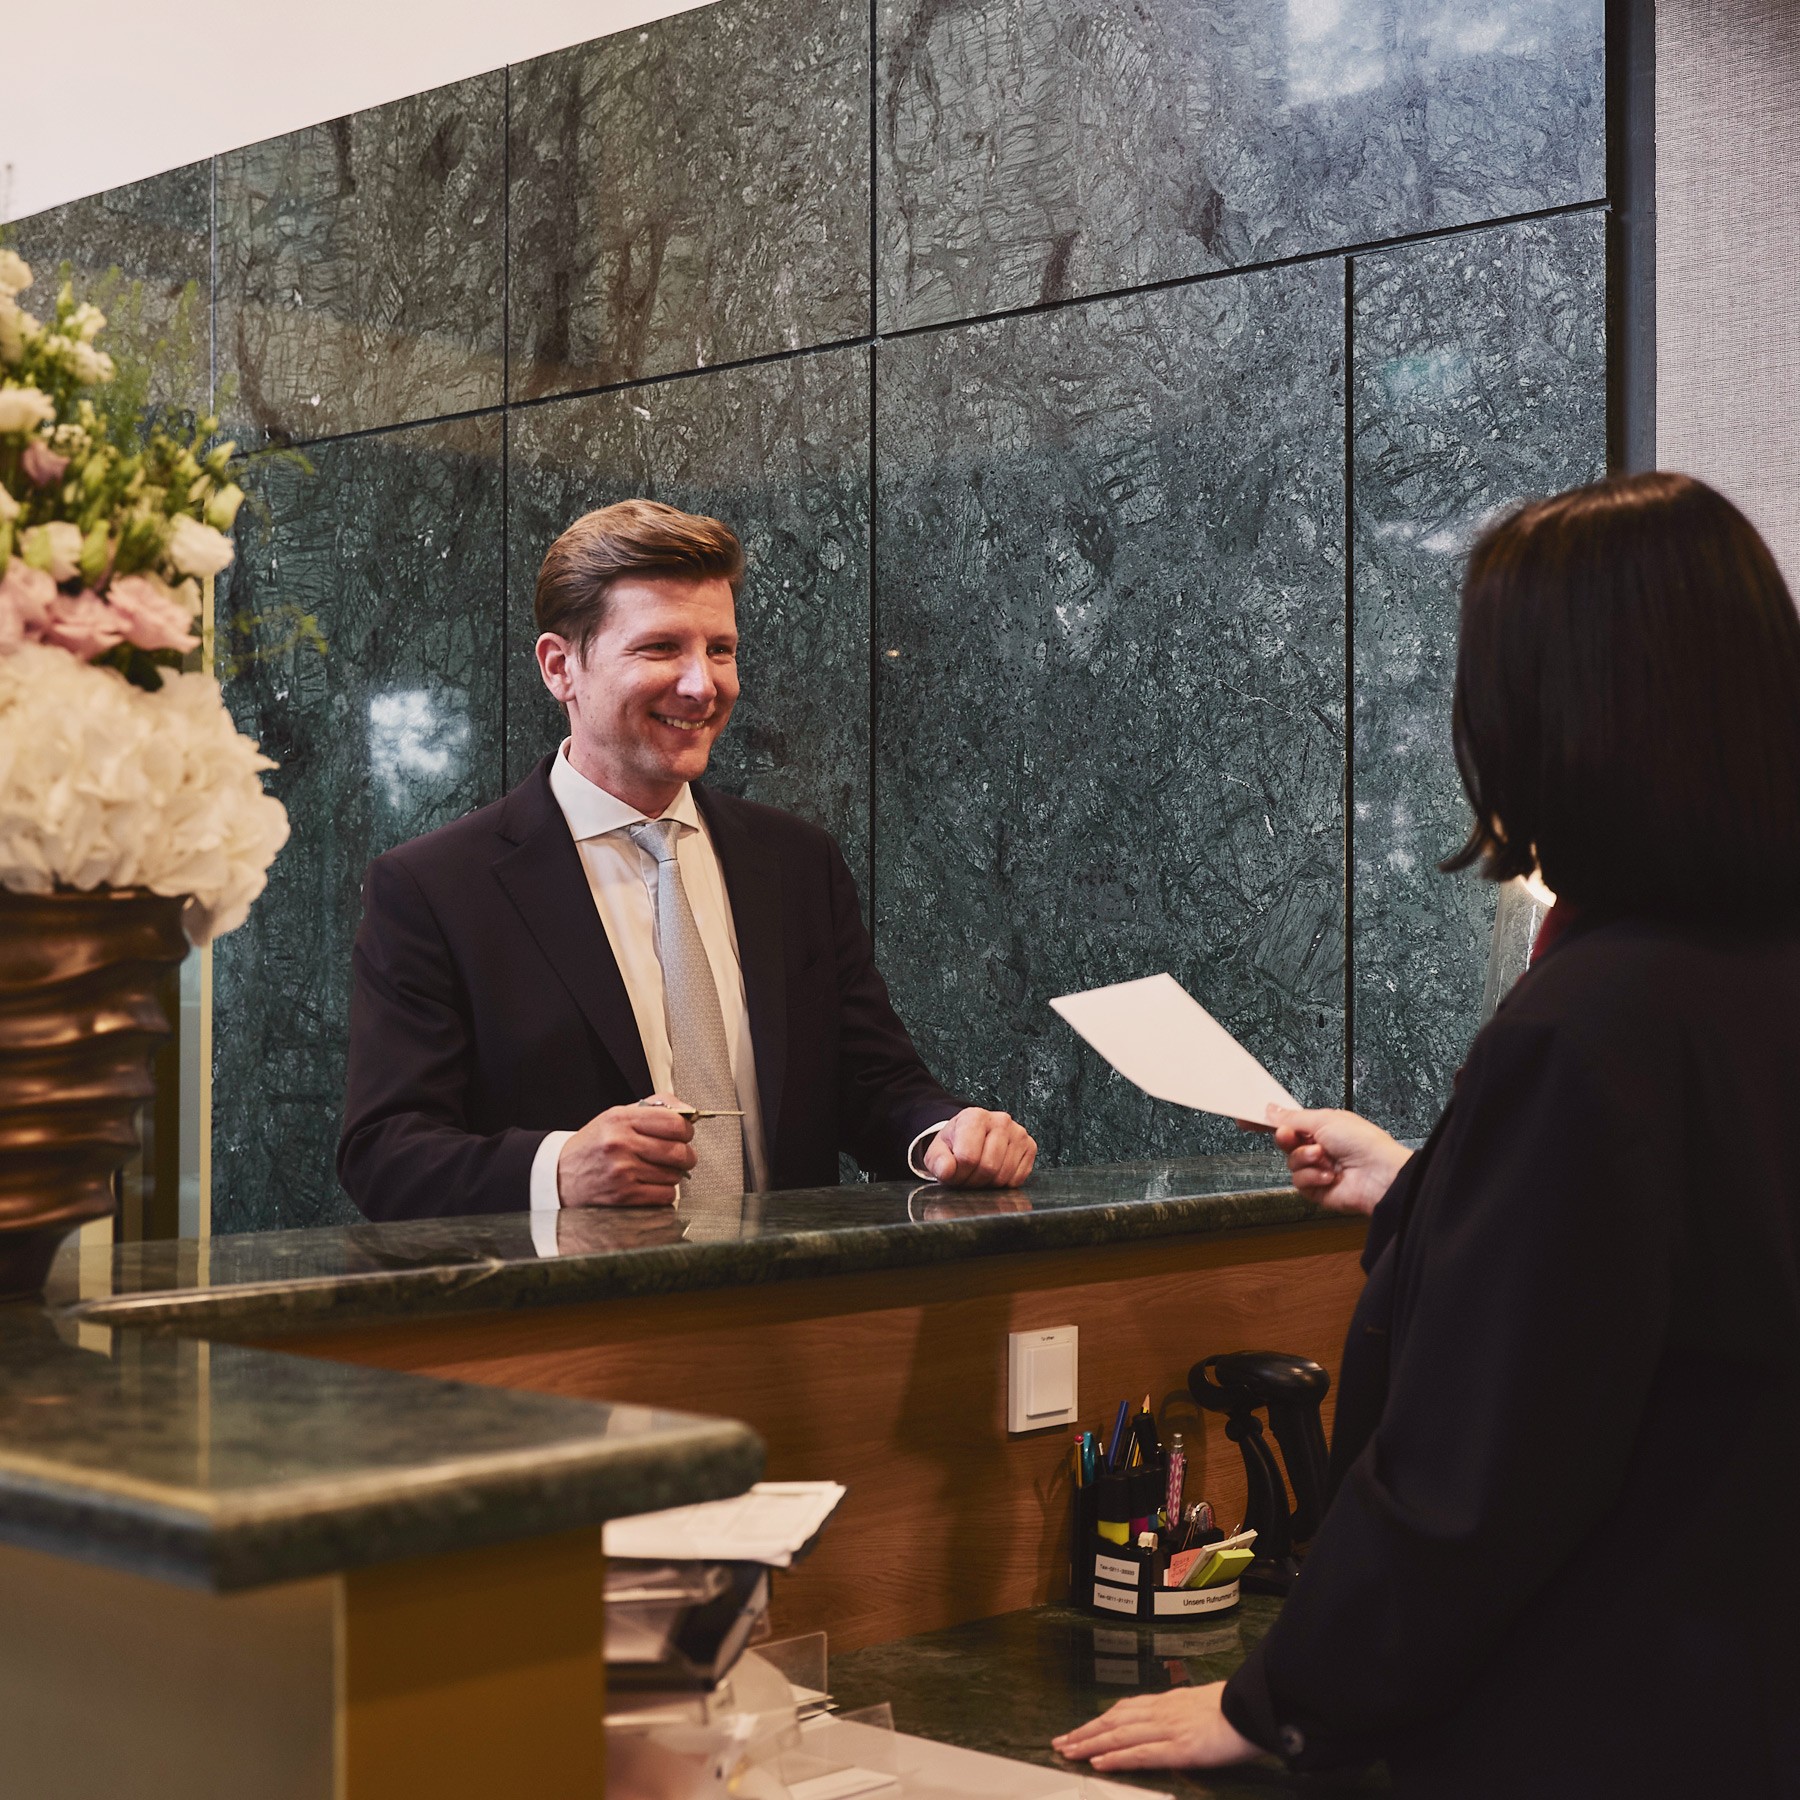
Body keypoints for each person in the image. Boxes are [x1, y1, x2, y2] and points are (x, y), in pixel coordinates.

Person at [1055, 473, 1800, 1795]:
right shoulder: (1739, 971)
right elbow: (1691, 1279)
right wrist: (1429, 1187)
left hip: (1597, 1719)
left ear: (1555, 716)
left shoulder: (1592, 1021)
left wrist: (1283, 1699)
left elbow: (1488, 1467)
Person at [339, 500, 1036, 1219]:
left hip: (796, 1316)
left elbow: (874, 1084)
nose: (703, 685)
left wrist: (945, 1137)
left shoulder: (796, 863)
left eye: (721, 650)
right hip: (578, 1321)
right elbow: (385, 1152)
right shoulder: (436, 888)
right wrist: (557, 1170)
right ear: (559, 667)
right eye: (660, 648)